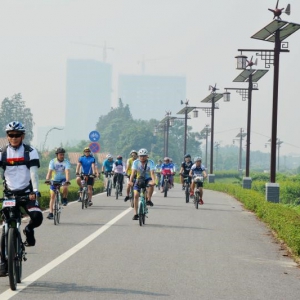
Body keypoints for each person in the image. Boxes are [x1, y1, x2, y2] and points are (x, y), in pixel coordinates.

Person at [0, 121, 43, 276]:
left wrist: (35, 190)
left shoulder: (30, 151)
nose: (14, 138)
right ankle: (3, 263)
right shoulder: (2, 152)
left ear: (22, 136)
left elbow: (33, 173)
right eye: (11, 135)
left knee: (37, 217)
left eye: (17, 135)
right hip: (9, 194)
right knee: (6, 228)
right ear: (7, 136)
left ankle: (28, 229)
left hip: (27, 193)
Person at [129, 148, 155, 220]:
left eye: (144, 156)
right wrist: (130, 181)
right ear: (138, 156)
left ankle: (149, 199)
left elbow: (152, 173)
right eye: (141, 156)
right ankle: (135, 214)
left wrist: (153, 181)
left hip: (147, 178)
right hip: (139, 179)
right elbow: (133, 173)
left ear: (147, 156)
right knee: (136, 195)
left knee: (151, 185)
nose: (142, 157)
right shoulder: (135, 162)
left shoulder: (150, 162)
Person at [45, 147, 71, 219]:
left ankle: (65, 198)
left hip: (63, 179)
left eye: (63, 154)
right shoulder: (53, 161)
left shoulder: (66, 162)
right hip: (54, 180)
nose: (62, 156)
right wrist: (47, 179)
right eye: (60, 154)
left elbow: (67, 172)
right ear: (57, 155)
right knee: (52, 196)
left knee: (65, 187)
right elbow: (50, 171)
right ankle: (51, 213)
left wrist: (67, 180)